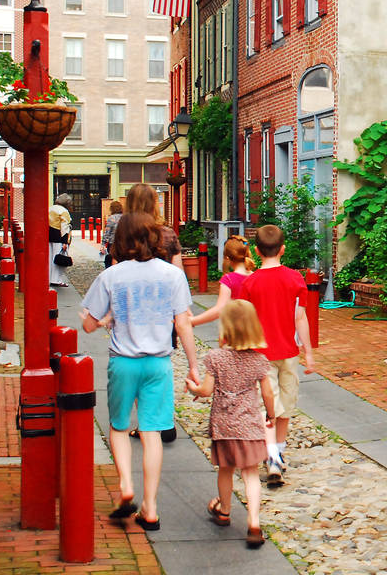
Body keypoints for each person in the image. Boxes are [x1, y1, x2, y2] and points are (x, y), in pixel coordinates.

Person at [80, 212, 199, 531]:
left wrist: (105, 320)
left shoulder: (112, 276)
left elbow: (89, 324)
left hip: (123, 361)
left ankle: (125, 485)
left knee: (119, 427)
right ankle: (151, 507)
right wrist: (193, 365)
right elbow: (183, 323)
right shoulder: (172, 275)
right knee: (152, 433)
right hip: (158, 363)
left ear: (120, 240)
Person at [184, 300, 274, 549]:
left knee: (225, 469)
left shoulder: (215, 358)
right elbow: (267, 392)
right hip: (249, 426)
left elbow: (206, 391)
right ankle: (254, 523)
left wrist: (193, 387)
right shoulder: (259, 360)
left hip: (223, 426)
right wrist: (271, 414)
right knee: (250, 473)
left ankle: (224, 511)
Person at [238, 224, 315, 488]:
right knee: (286, 403)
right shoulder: (295, 279)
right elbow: (300, 317)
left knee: (267, 405)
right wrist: (309, 352)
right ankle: (278, 451)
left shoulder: (249, 283)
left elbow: (244, 322)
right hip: (289, 351)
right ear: (283, 249)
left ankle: (272, 455)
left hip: (259, 354)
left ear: (257, 251)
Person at [119, 183, 184, 444]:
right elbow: (178, 271)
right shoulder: (167, 233)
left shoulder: (124, 233)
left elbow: (117, 271)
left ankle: (146, 422)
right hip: (162, 310)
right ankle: (164, 419)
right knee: (160, 363)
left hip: (133, 309)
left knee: (135, 365)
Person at [191, 235, 256, 327]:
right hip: (254, 329)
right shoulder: (256, 277)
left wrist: (193, 321)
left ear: (227, 258)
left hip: (234, 329)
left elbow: (219, 309)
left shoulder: (228, 280)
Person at [123, 183, 182, 269]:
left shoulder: (123, 233)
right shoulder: (168, 234)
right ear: (154, 205)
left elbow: (115, 268)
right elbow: (178, 269)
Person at [48, 193, 73, 287]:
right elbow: (64, 227)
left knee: (50, 258)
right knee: (58, 258)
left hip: (49, 235)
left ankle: (49, 278)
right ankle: (56, 279)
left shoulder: (50, 208)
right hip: (59, 237)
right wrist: (65, 241)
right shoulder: (64, 211)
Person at [100, 200, 124, 268]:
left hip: (113, 243)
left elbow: (107, 233)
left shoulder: (111, 218)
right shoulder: (125, 217)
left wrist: (103, 244)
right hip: (124, 243)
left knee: (113, 259)